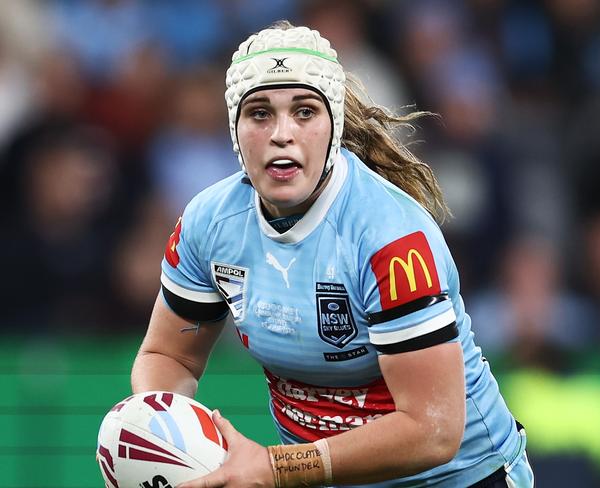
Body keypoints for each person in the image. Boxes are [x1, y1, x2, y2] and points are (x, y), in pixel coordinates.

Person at [130, 21, 535, 488]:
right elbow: (169, 356)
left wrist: (276, 468)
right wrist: (164, 439)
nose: (282, 133)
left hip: (459, 477)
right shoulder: (208, 223)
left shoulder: (390, 238)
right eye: (259, 113)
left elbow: (434, 431)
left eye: (304, 111)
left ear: (334, 125)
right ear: (235, 129)